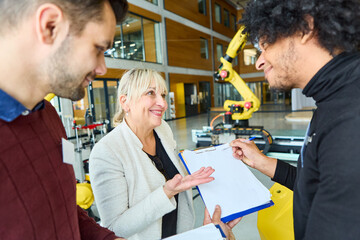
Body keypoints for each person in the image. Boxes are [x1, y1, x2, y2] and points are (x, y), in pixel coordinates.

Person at [230, 0, 360, 239]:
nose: (259, 61)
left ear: (305, 27)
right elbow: (315, 184)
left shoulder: (350, 121)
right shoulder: (333, 99)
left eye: (265, 44)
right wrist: (262, 162)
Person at [0, 0, 128, 239]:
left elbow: (65, 210)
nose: (102, 68)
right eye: (99, 49)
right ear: (50, 26)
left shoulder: (48, 116)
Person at [89, 68, 218, 240]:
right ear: (125, 101)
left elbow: (174, 171)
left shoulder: (162, 128)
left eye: (163, 95)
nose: (163, 103)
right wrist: (166, 192)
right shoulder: (107, 152)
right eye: (150, 93)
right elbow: (115, 228)